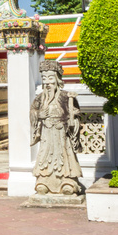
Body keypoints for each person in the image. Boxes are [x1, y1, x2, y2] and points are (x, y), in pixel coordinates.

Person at [30, 60, 84, 195]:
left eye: (50, 78)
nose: (47, 82)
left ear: (57, 79)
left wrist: (74, 119)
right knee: (45, 156)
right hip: (47, 134)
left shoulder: (66, 97)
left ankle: (68, 181)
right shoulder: (40, 98)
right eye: (44, 78)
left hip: (62, 133)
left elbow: (76, 113)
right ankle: (43, 181)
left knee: (65, 156)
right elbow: (33, 112)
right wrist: (39, 115)